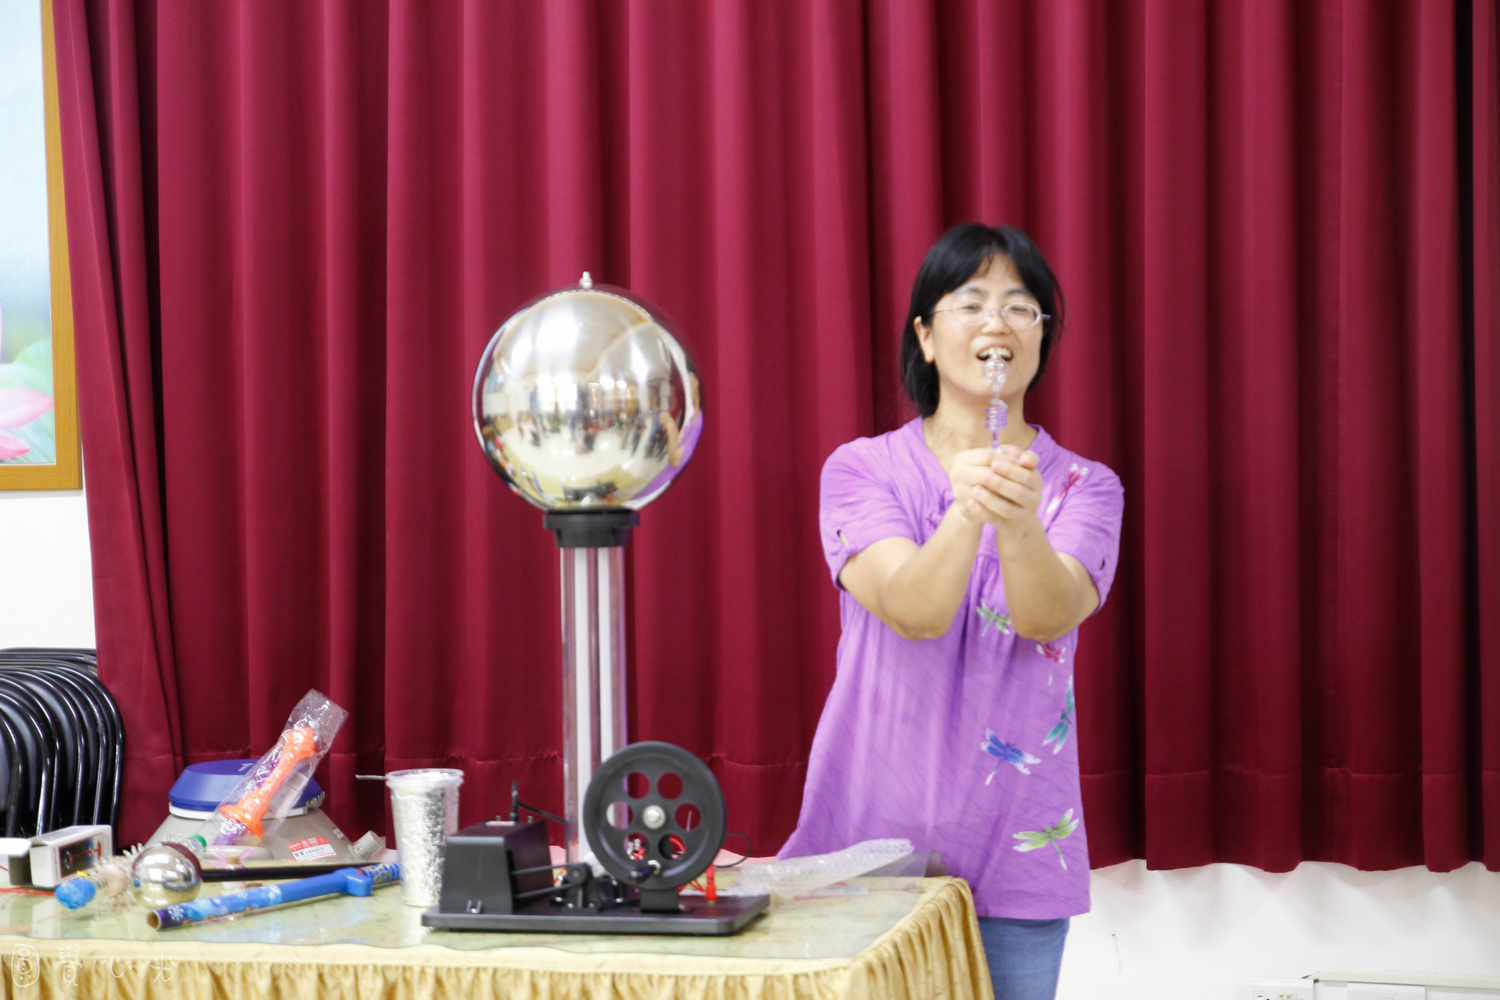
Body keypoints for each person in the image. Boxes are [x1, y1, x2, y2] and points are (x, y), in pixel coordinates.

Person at [780, 223, 1124, 1000]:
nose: (997, 322)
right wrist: (968, 511)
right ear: (927, 338)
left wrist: (1019, 520)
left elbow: (1048, 617)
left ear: (1040, 338)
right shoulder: (861, 468)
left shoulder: (1086, 487)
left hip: (1018, 858)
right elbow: (915, 611)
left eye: (1020, 307)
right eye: (970, 303)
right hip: (864, 850)